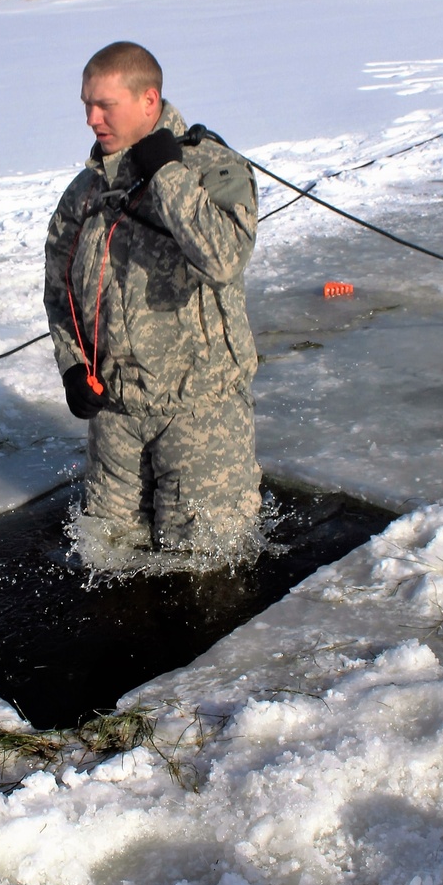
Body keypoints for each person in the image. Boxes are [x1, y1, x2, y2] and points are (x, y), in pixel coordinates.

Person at [44, 40, 262, 559]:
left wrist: (166, 174)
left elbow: (225, 256)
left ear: (148, 101)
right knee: (109, 559)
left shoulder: (212, 170)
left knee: (209, 566)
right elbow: (60, 291)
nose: (92, 119)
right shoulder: (85, 193)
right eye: (86, 105)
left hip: (200, 413)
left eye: (105, 105)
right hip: (116, 417)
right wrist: (73, 366)